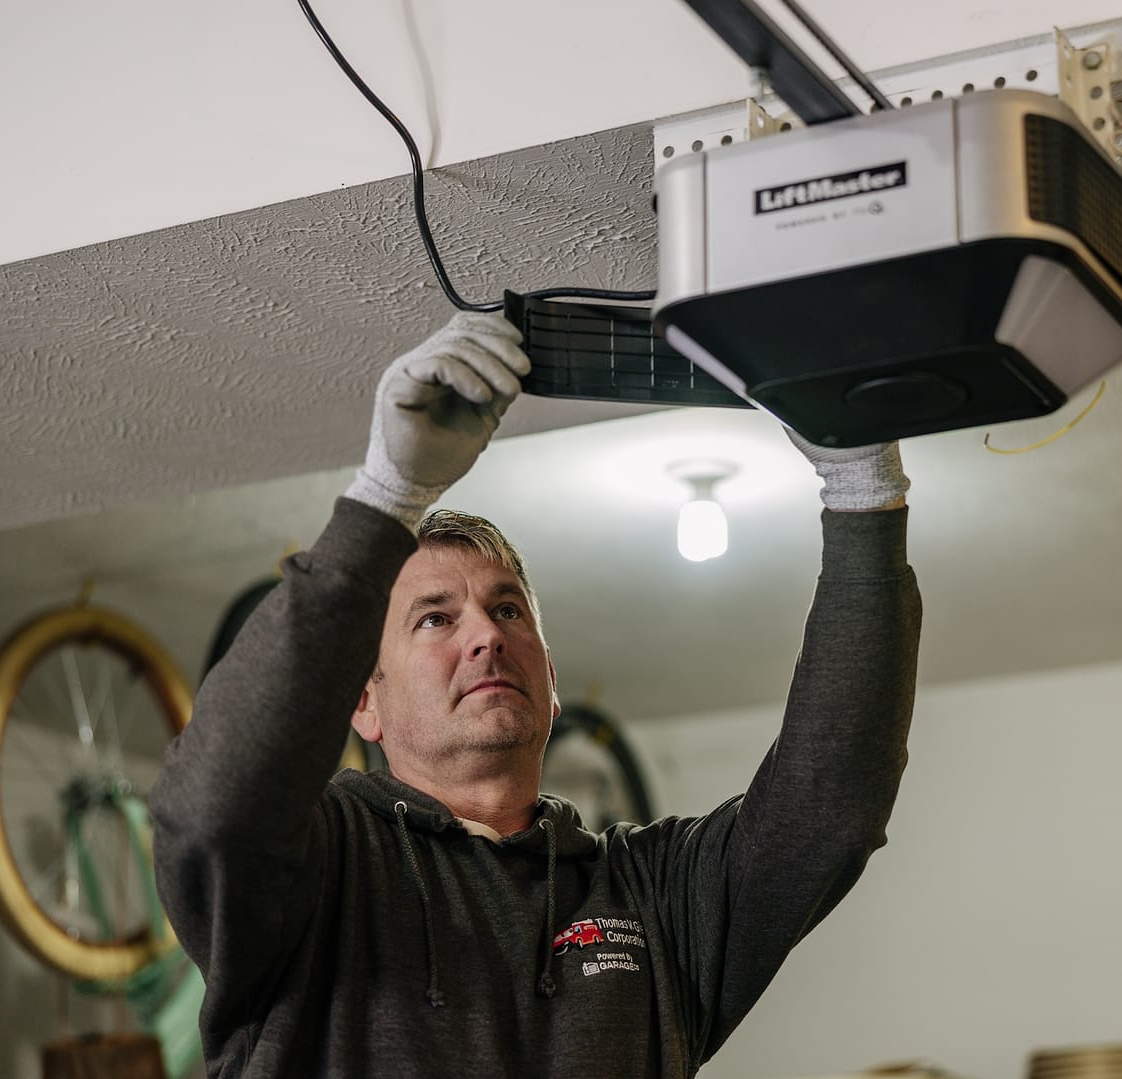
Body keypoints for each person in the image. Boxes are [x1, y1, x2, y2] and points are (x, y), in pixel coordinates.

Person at [149, 312, 922, 1077]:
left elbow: (829, 808)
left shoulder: (650, 896)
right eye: (435, 618)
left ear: (550, 683)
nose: (486, 634)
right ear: (364, 702)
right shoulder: (315, 867)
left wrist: (863, 487)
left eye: (508, 610)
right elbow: (212, 807)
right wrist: (389, 494)